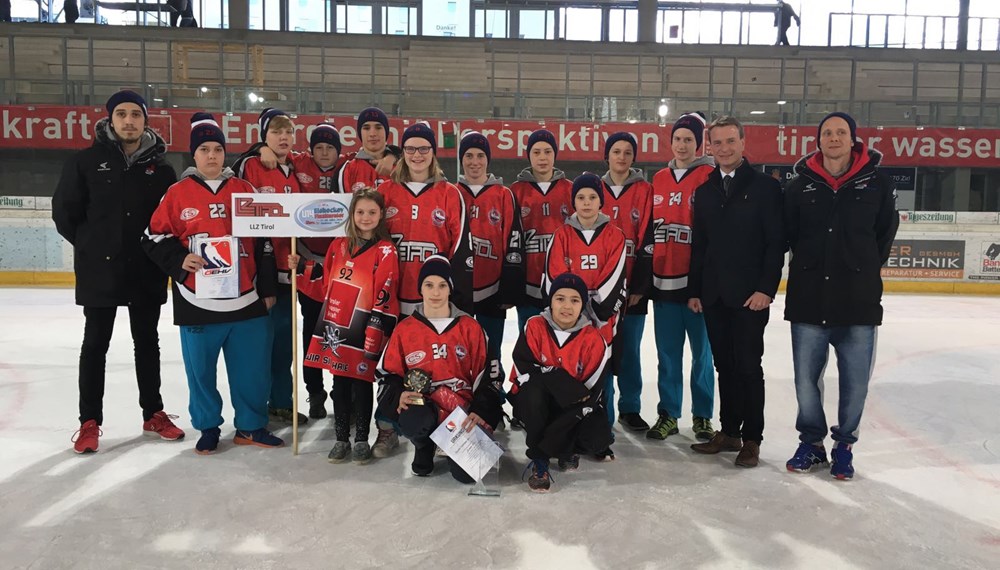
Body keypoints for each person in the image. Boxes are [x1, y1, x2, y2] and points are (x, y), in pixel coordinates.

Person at [142, 113, 283, 454]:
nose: (211, 155)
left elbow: (264, 243)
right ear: (194, 154)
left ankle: (250, 426)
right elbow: (152, 236)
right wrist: (179, 260)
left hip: (246, 298)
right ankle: (208, 426)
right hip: (197, 301)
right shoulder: (177, 193)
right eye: (204, 149)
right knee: (201, 374)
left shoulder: (244, 190)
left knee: (252, 371)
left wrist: (266, 289)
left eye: (217, 149)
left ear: (224, 153)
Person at [52, 90, 183, 454]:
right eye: (121, 114)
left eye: (136, 115)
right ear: (110, 120)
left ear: (145, 121)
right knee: (95, 345)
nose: (129, 121)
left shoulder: (162, 169)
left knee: (147, 344)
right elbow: (65, 214)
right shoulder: (86, 162)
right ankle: (89, 421)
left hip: (145, 269)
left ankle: (153, 412)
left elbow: (165, 221)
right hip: (101, 271)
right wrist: (95, 246)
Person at [783, 112, 899, 480]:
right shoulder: (799, 186)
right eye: (827, 133)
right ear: (818, 141)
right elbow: (788, 234)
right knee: (805, 383)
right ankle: (812, 443)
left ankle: (844, 444)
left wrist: (861, 269)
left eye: (841, 132)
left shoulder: (877, 183)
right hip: (808, 299)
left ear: (854, 139)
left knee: (855, 384)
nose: (833, 138)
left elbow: (883, 234)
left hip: (857, 302)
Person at [688, 116, 784, 469]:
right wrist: (695, 290)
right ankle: (729, 431)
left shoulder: (765, 188)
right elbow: (700, 245)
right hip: (713, 296)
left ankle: (752, 439)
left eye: (731, 141)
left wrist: (766, 289)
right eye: (717, 143)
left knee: (747, 367)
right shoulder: (705, 189)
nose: (724, 148)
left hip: (749, 297)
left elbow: (776, 244)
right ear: (708, 147)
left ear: (743, 143)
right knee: (723, 366)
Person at [241, 122, 346, 419]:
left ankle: (341, 396)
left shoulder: (348, 169)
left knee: (340, 335)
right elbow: (249, 162)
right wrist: (259, 148)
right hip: (301, 265)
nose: (324, 152)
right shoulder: (297, 163)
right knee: (306, 335)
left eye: (331, 147)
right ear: (310, 150)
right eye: (319, 147)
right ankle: (312, 394)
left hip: (340, 268)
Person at [291, 189, 400, 464]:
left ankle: (361, 438)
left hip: (365, 325)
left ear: (381, 215)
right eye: (360, 212)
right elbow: (326, 282)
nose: (365, 217)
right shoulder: (338, 245)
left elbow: (385, 290)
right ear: (351, 214)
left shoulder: (385, 249)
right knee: (339, 382)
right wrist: (302, 268)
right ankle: (342, 438)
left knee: (362, 382)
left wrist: (374, 329)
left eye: (372, 212)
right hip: (338, 326)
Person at [375, 256, 503, 482]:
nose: (435, 292)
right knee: (415, 418)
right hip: (423, 406)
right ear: (420, 289)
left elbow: (491, 374)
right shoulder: (405, 329)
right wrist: (398, 395)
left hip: (462, 411)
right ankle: (423, 445)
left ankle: (453, 447)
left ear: (450, 289)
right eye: (429, 285)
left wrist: (481, 410)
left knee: (466, 476)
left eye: (442, 285)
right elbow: (387, 373)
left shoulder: (470, 327)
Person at [543, 172, 626, 459]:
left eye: (592, 197)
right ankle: (565, 432)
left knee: (601, 378)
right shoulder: (561, 234)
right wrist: (571, 314)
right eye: (580, 197)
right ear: (573, 202)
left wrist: (593, 314)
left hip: (600, 323)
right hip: (568, 322)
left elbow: (613, 277)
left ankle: (602, 434)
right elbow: (555, 275)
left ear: (601, 201)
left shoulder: (615, 235)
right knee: (569, 376)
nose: (587, 202)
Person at [234, 108, 308, 426]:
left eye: (288, 132)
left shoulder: (293, 170)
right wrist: (254, 150)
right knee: (259, 346)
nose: (283, 137)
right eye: (276, 131)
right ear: (264, 135)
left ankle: (281, 402)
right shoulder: (252, 164)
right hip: (260, 274)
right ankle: (253, 409)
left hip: (286, 268)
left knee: (283, 344)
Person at [509, 272, 613, 492]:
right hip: (537, 404)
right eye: (560, 299)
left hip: (573, 409)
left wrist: (549, 376)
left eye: (574, 300)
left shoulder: (594, 339)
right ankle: (540, 460)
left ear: (582, 304)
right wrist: (559, 378)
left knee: (598, 438)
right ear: (551, 301)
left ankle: (565, 449)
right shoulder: (535, 326)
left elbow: (588, 397)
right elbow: (523, 374)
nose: (567, 306)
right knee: (533, 391)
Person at [648, 113, 717, 443]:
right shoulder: (658, 178)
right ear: (671, 142)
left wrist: (705, 282)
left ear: (698, 143)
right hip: (663, 285)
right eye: (678, 139)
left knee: (703, 356)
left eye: (689, 139)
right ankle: (668, 414)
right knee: (667, 355)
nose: (683, 144)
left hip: (697, 287)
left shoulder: (708, 174)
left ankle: (703, 416)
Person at [376, 122, 473, 316]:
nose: (417, 155)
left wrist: (459, 300)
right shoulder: (385, 191)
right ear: (403, 152)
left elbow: (461, 250)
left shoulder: (450, 194)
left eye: (423, 148)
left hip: (435, 301)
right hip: (389, 299)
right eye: (410, 149)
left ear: (433, 152)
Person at [455, 131, 525, 370]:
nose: (474, 161)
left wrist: (509, 287)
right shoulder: (452, 192)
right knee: (460, 352)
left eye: (480, 155)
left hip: (492, 290)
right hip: (458, 290)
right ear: (461, 159)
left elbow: (514, 240)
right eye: (469, 155)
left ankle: (492, 401)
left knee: (491, 353)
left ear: (488, 159)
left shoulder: (504, 195)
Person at [599, 132, 654, 433]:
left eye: (627, 152)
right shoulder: (595, 188)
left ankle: (630, 407)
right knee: (604, 349)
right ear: (607, 156)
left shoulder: (644, 190)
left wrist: (641, 286)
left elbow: (647, 239)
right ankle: (602, 408)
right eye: (616, 151)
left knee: (631, 350)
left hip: (633, 288)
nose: (621, 157)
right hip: (601, 291)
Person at [510, 129, 574, 330]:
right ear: (529, 155)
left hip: (563, 284)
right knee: (529, 342)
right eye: (536, 152)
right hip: (528, 285)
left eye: (547, 151)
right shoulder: (516, 191)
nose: (542, 157)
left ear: (555, 154)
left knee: (563, 344)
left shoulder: (571, 190)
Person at [337, 107, 401, 193]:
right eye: (366, 128)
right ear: (360, 133)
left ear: (386, 132)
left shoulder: (402, 168)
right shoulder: (346, 170)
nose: (372, 134)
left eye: (378, 128)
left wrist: (393, 157)